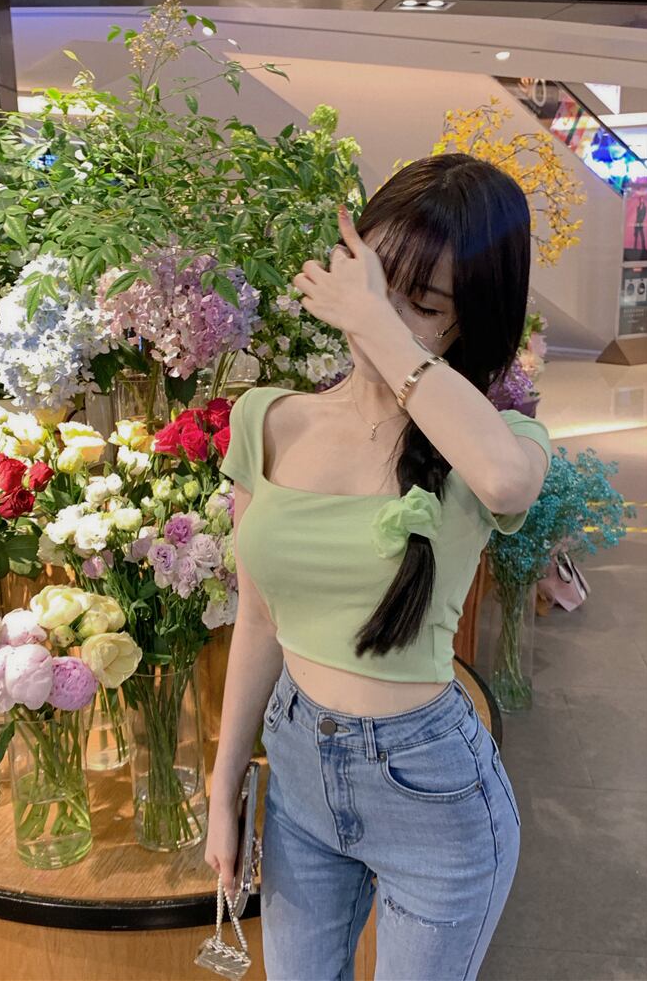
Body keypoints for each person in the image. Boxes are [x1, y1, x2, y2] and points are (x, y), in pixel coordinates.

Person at [205, 153, 552, 981]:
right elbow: (259, 619)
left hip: (432, 792)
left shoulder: (495, 442)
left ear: (467, 320)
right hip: (296, 770)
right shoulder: (268, 419)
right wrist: (224, 787)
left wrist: (378, 327)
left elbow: (506, 482)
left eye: (420, 305)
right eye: (372, 286)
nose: (377, 321)